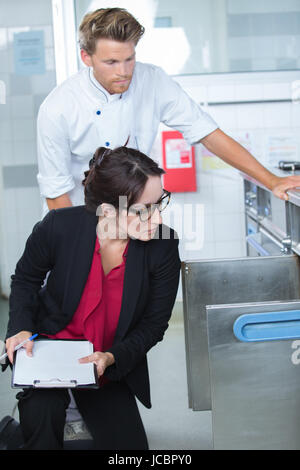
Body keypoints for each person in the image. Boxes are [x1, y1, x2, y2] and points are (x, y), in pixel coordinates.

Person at [37, 7, 300, 217]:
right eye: (111, 62)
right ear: (86, 57)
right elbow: (55, 190)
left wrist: (271, 179)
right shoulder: (58, 108)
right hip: (80, 218)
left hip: (138, 215)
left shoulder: (152, 80)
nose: (124, 71)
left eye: (129, 58)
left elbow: (208, 133)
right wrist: (79, 250)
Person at [3, 146, 181, 450]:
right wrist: (19, 328)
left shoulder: (163, 246)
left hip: (106, 364)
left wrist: (112, 357)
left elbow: (153, 325)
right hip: (50, 354)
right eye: (144, 209)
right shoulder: (60, 226)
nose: (157, 218)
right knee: (42, 430)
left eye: (160, 202)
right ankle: (17, 432)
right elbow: (26, 281)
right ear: (108, 211)